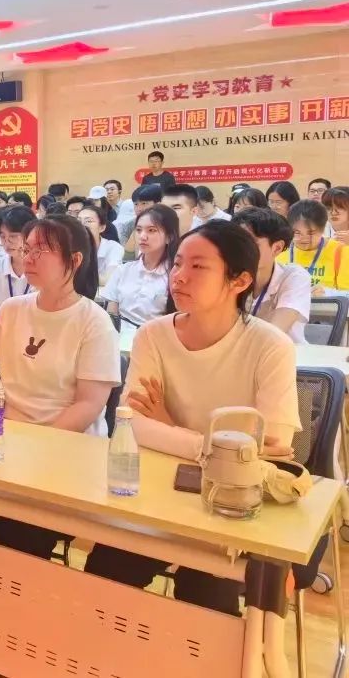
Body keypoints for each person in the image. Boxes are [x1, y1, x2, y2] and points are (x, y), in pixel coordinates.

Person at [84, 220, 299, 616]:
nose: (179, 276)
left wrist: (168, 424)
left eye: (199, 267)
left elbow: (270, 449)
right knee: (106, 571)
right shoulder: (153, 335)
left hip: (232, 505)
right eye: (179, 263)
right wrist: (214, 446)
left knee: (206, 590)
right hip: (159, 493)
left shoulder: (271, 347)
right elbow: (131, 424)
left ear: (239, 281)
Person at [0, 215, 119, 557]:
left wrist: (32, 445)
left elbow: (88, 406)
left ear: (74, 260)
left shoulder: (94, 321)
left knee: (20, 528)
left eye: (41, 251)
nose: (28, 258)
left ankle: (6, 580)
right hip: (4, 442)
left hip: (62, 452)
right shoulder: (11, 310)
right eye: (27, 249)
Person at [231, 208, 311, 342]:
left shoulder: (294, 276)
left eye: (250, 244)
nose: (240, 250)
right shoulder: (228, 275)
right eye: (236, 243)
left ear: (277, 248)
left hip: (285, 353)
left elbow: (274, 332)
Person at [104, 204, 180, 327]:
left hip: (157, 335)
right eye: (139, 230)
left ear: (169, 237)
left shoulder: (175, 276)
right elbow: (111, 313)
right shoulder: (123, 270)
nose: (142, 236)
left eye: (152, 230)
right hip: (121, 334)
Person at [277, 200, 349, 295]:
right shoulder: (279, 250)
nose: (303, 238)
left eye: (310, 233)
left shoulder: (340, 251)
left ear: (323, 229)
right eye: (297, 232)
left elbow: (346, 294)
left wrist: (328, 293)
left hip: (324, 304)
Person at [78, 204, 125, 286]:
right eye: (78, 221)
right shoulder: (70, 246)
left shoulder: (113, 247)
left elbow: (109, 279)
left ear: (102, 228)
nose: (82, 225)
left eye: (88, 221)